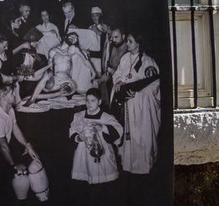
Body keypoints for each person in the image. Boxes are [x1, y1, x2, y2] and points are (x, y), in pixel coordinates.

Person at [0, 85, 50, 203]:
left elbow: (15, 129)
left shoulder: (9, 109)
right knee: (2, 186)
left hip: (3, 147)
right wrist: (14, 165)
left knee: (30, 165)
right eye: (12, 94)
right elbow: (3, 147)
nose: (15, 95)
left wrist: (27, 145)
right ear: (3, 97)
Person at [113, 33, 162, 178]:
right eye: (127, 41)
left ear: (138, 44)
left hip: (142, 107)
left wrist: (138, 94)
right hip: (127, 103)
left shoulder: (148, 62)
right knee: (128, 135)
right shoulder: (125, 58)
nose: (127, 44)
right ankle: (128, 164)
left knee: (141, 134)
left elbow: (155, 85)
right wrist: (118, 82)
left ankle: (143, 166)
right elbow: (118, 74)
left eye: (130, 41)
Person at [69, 89, 123, 185]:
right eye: (87, 100)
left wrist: (102, 127)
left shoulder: (107, 117)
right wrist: (79, 138)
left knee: (103, 181)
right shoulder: (79, 116)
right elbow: (72, 131)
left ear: (100, 102)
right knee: (86, 179)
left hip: (103, 154)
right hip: (83, 154)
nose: (89, 104)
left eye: (93, 101)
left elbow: (118, 131)